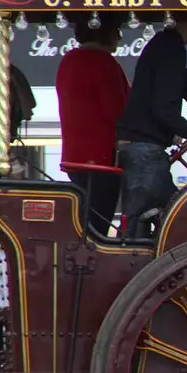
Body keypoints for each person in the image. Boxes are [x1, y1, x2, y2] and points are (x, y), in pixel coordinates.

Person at [113, 13, 187, 237]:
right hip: (144, 151)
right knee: (174, 216)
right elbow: (164, 109)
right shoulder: (171, 48)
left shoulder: (163, 46)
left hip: (141, 148)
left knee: (146, 219)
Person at [57, 18, 130, 235]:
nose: (118, 38)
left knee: (84, 220)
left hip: (74, 156)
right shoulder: (104, 63)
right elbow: (117, 112)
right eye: (116, 31)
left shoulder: (68, 60)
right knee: (98, 224)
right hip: (100, 158)